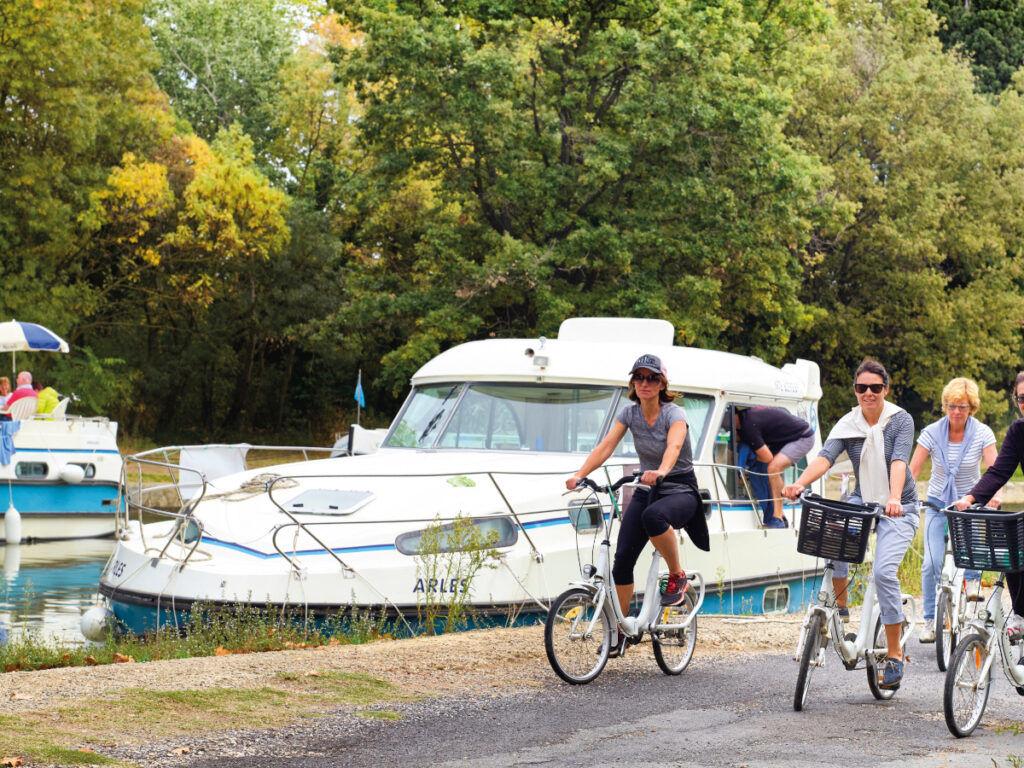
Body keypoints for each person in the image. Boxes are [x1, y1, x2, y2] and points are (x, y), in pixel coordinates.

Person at [783, 359, 918, 691]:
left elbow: (900, 460)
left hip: (899, 505)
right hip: (864, 499)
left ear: (885, 390)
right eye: (861, 388)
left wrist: (896, 497)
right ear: (855, 391)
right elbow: (825, 457)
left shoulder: (899, 420)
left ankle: (896, 654)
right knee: (832, 535)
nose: (868, 393)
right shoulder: (849, 423)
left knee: (884, 572)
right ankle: (841, 610)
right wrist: (799, 483)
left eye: (875, 388)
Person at [566, 353, 710, 647]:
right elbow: (606, 446)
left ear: (661, 384)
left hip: (680, 489)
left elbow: (674, 445)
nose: (644, 383)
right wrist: (579, 475)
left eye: (651, 378)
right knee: (621, 562)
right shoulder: (629, 413)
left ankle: (677, 575)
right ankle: (620, 629)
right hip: (649, 487)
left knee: (653, 517)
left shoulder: (674, 414)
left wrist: (661, 471)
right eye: (639, 377)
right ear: (633, 382)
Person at [909, 378, 999, 643]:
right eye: (951, 406)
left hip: (970, 503)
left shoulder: (983, 433)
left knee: (971, 557)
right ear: (944, 406)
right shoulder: (931, 432)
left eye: (962, 407)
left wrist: (995, 496)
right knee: (931, 564)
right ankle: (928, 621)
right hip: (938, 502)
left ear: (971, 407)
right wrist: (904, 497)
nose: (956, 412)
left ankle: (972, 588)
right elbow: (913, 471)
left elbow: (996, 470)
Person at [955, 371, 1024, 642]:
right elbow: (998, 472)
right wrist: (970, 498)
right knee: (1014, 544)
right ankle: (1020, 615)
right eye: (1021, 398)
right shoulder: (1019, 431)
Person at [732, 406, 814, 528]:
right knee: (771, 470)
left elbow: (767, 457)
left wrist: (753, 460)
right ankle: (780, 515)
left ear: (734, 416)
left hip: (802, 437)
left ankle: (777, 518)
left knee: (773, 468)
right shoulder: (745, 421)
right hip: (782, 440)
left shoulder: (748, 426)